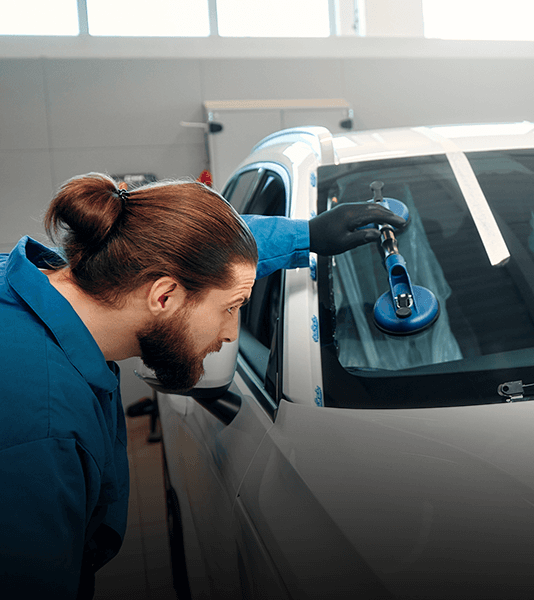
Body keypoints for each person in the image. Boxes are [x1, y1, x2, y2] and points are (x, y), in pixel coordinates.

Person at [0, 173, 405, 598]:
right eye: (232, 308)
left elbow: (201, 257)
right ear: (163, 298)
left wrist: (306, 234)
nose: (231, 332)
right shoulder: (43, 436)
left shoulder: (30, 282)